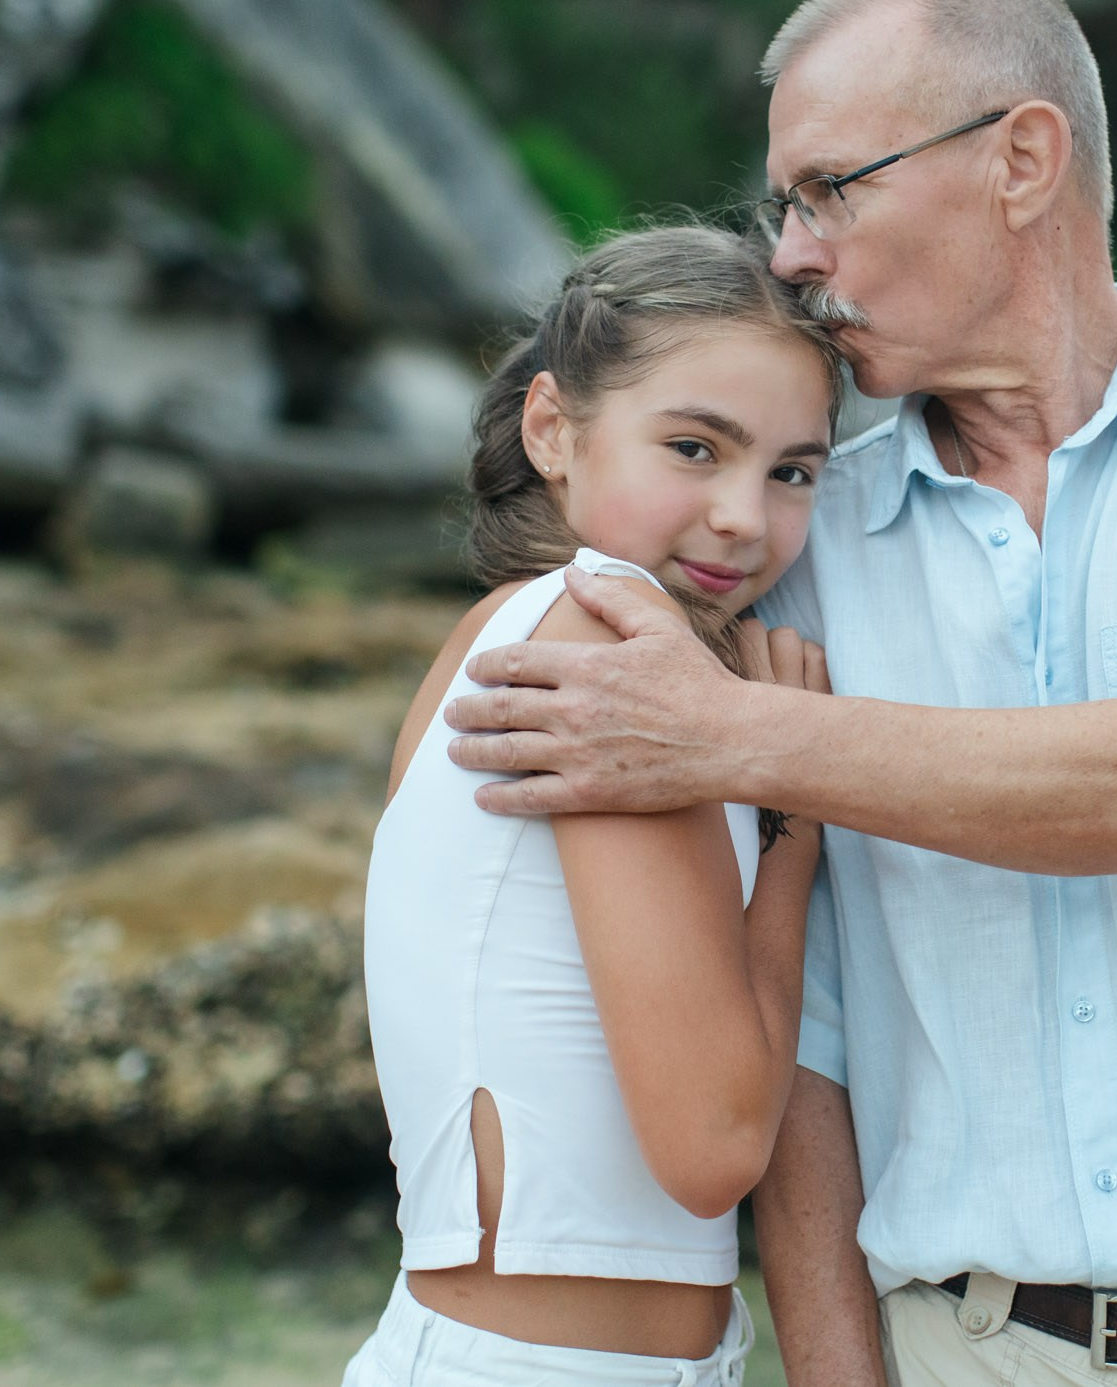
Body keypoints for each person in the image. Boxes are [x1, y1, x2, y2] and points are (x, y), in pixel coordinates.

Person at [446, 0, 1117, 1387]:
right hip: (974, 1352)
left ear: (1023, 159)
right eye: (783, 204)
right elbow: (808, 1041)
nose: (793, 251)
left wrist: (733, 733)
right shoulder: (797, 545)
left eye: (828, 190)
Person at [344, 225, 845, 1387]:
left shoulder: (505, 631)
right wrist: (796, 823)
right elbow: (713, 1147)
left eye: (792, 470)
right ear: (553, 429)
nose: (741, 516)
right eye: (692, 445)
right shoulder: (603, 651)